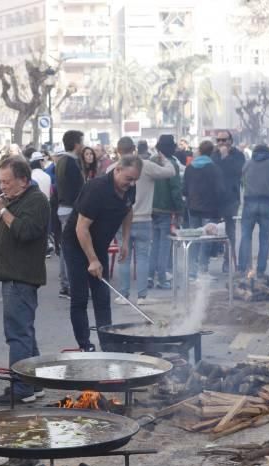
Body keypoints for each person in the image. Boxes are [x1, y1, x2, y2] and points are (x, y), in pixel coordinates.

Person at [0, 156, 50, 405]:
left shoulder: (37, 201)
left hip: (22, 276)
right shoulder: (11, 199)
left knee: (17, 334)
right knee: (25, 334)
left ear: (23, 180)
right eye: (0, 181)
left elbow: (25, 231)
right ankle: (35, 383)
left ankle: (22, 388)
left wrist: (2, 210)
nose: (3, 186)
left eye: (7, 181)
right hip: (10, 276)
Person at [62, 156, 141, 351]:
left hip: (99, 243)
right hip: (75, 243)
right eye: (128, 179)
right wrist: (93, 260)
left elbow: (128, 210)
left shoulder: (129, 188)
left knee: (102, 295)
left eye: (134, 180)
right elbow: (81, 228)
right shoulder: (96, 189)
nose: (131, 184)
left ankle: (108, 343)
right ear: (117, 170)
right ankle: (85, 345)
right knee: (80, 296)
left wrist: (124, 240)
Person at [109, 136, 175, 304]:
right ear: (134, 150)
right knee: (143, 257)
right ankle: (142, 296)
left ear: (118, 150)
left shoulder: (113, 169)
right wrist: (164, 159)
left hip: (120, 220)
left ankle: (123, 295)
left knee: (124, 257)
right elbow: (171, 172)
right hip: (144, 219)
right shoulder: (146, 166)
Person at [239, 144, 269, 277]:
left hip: (249, 204)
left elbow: (243, 182)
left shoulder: (247, 164)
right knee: (264, 239)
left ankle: (243, 269)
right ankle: (260, 271)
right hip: (267, 204)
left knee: (245, 236)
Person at [183, 140, 225, 277]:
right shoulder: (215, 168)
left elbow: (184, 189)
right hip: (210, 208)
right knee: (206, 238)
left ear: (199, 151)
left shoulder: (190, 168)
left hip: (193, 207)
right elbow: (220, 190)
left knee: (194, 238)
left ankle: (191, 271)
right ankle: (203, 269)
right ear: (211, 152)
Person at [148, 134, 182, 290]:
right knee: (164, 245)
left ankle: (149, 277)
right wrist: (180, 210)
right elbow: (175, 190)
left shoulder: (150, 162)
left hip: (150, 209)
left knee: (154, 244)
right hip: (166, 209)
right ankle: (162, 278)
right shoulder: (172, 164)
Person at [55, 130, 85, 300]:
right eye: (81, 142)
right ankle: (68, 286)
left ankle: (66, 285)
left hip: (64, 208)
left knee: (67, 247)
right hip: (70, 210)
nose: (83, 145)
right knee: (70, 249)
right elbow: (76, 190)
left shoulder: (62, 161)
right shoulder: (70, 163)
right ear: (76, 144)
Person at [211, 130, 246, 273]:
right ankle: (204, 263)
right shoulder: (214, 155)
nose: (221, 143)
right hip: (215, 198)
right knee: (210, 229)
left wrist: (226, 157)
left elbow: (238, 171)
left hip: (231, 198)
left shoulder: (238, 155)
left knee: (230, 231)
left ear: (230, 141)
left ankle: (228, 261)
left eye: (224, 140)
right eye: (218, 140)